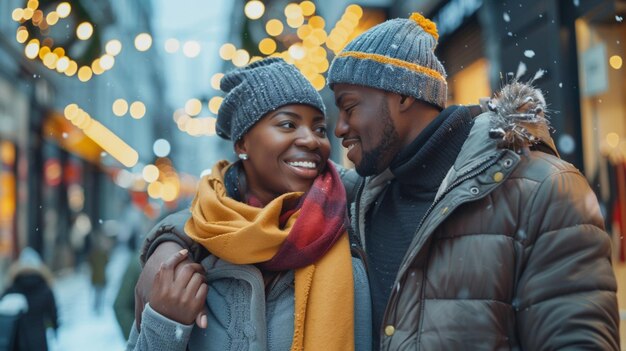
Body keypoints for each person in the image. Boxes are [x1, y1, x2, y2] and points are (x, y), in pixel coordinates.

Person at [135, 13, 620, 350]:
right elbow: (241, 210)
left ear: (402, 96)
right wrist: (167, 244)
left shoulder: (543, 187)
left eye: (345, 110)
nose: (336, 131)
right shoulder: (359, 196)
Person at [127, 57, 371, 350]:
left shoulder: (354, 214)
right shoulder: (196, 252)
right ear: (243, 144)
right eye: (288, 124)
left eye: (319, 128)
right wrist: (167, 325)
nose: (310, 140)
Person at [0, 247, 59, 351]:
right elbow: (53, 313)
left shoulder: (12, 287)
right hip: (39, 340)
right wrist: (55, 328)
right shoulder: (45, 288)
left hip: (17, 341)